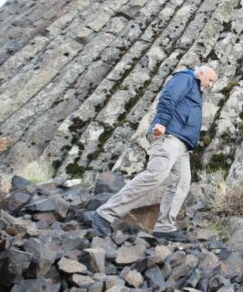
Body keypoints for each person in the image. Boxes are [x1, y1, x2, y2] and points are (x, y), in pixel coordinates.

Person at [90, 65, 217, 242]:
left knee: (181, 183)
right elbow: (168, 97)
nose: (211, 84)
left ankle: (164, 228)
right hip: (168, 136)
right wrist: (162, 122)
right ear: (201, 73)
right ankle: (104, 214)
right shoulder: (186, 78)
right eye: (210, 79)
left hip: (182, 145)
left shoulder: (196, 89)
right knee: (155, 175)